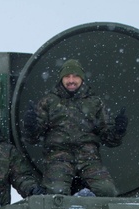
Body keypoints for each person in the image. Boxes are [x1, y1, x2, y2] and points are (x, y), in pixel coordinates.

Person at [23, 59, 127, 197]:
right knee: (55, 194)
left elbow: (109, 139)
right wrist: (30, 125)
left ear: (82, 78)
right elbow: (33, 137)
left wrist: (118, 130)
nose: (71, 80)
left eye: (75, 76)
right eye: (67, 76)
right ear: (61, 79)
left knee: (107, 191)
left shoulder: (94, 102)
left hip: (89, 158)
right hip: (58, 157)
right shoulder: (49, 101)